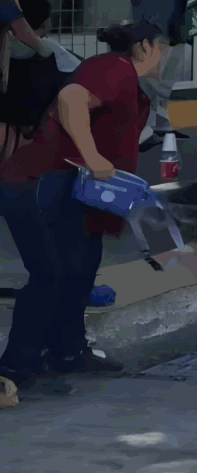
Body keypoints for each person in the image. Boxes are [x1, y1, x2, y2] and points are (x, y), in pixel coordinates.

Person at [0, 21, 171, 392]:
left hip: (78, 194)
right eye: (163, 48)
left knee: (81, 269)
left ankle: (67, 352)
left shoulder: (130, 81)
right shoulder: (113, 67)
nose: (167, 57)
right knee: (50, 274)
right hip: (38, 183)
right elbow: (71, 99)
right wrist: (93, 157)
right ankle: (15, 369)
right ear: (143, 47)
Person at [127, 0, 194, 146]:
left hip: (173, 29)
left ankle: (162, 126)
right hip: (153, 30)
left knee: (166, 81)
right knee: (149, 80)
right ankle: (142, 131)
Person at [1, 0, 66, 162]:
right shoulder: (50, 52)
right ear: (46, 22)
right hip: (35, 115)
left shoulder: (7, 49)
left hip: (9, 112)